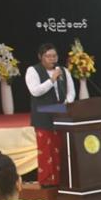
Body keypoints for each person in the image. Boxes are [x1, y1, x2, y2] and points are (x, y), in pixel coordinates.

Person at [25, 42, 75, 187]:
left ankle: (62, 180)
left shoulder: (63, 70)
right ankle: (47, 182)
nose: (52, 59)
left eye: (54, 56)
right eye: (48, 56)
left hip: (61, 112)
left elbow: (71, 91)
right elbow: (35, 91)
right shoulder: (33, 70)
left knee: (61, 148)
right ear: (40, 57)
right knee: (46, 150)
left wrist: (67, 102)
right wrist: (52, 79)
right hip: (43, 114)